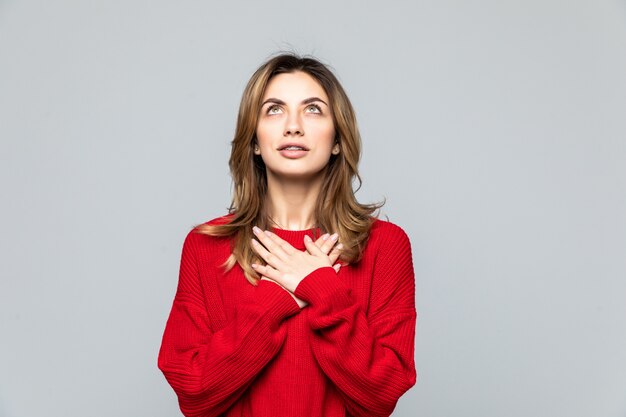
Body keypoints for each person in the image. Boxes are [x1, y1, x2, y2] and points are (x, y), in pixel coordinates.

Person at [158, 53, 417, 417]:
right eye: (274, 110)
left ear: (338, 139)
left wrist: (321, 289)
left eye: (313, 110)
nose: (293, 126)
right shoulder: (206, 246)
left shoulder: (384, 246)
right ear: (254, 142)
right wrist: (275, 301)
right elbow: (196, 395)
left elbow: (380, 396)